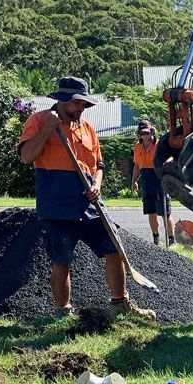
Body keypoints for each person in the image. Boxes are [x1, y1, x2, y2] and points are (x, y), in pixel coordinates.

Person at [17, 76, 155, 320]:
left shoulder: (87, 128)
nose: (81, 108)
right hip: (57, 205)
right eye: (77, 103)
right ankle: (63, 313)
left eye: (84, 104)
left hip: (89, 203)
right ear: (62, 100)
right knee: (62, 261)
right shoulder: (39, 121)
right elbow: (26, 157)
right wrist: (49, 129)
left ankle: (120, 304)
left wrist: (97, 185)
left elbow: (98, 164)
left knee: (114, 250)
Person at [131, 121, 173, 246]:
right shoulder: (137, 147)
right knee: (151, 212)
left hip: (159, 179)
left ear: (152, 132)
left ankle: (171, 240)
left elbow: (171, 157)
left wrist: (166, 165)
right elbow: (137, 166)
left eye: (147, 133)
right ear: (139, 134)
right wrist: (134, 182)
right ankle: (156, 239)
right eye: (142, 134)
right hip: (146, 180)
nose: (146, 136)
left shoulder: (160, 144)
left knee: (165, 212)